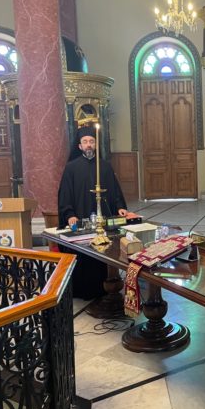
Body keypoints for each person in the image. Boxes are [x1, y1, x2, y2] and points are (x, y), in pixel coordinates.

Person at [58, 125, 128, 299]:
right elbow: (65, 194)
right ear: (79, 146)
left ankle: (105, 286)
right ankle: (82, 290)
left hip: (102, 218)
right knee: (84, 253)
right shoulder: (71, 168)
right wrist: (69, 214)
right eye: (85, 142)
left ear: (96, 145)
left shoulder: (105, 166)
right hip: (80, 217)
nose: (88, 144)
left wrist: (120, 206)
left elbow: (115, 190)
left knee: (104, 250)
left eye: (91, 141)